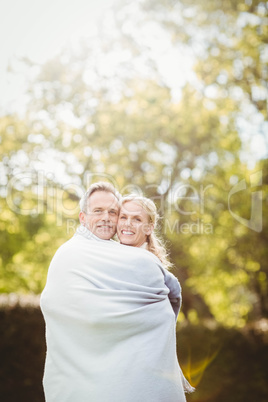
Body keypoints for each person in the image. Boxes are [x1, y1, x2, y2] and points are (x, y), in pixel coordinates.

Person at [40, 181, 188, 402]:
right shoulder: (69, 254)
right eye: (98, 211)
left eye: (113, 212)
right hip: (79, 370)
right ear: (83, 218)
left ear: (148, 228)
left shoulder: (134, 258)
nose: (107, 217)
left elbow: (167, 297)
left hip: (137, 375)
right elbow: (56, 303)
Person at [117, 194, 195, 393]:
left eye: (137, 219)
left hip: (142, 364)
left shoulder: (147, 265)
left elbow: (173, 296)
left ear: (149, 228)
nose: (128, 224)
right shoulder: (114, 257)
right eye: (123, 217)